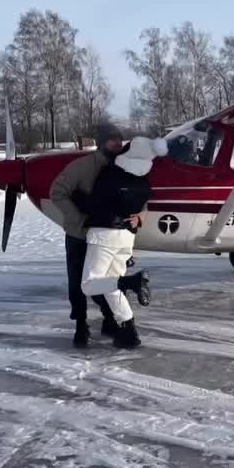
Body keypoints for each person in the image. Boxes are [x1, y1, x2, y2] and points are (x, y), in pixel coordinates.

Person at [78, 135, 168, 349]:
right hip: (127, 236)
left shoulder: (111, 173)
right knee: (110, 285)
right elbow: (139, 205)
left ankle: (131, 282)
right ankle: (129, 332)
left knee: (88, 285)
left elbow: (92, 202)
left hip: (103, 235)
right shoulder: (143, 181)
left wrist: (78, 197)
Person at [50, 123, 130, 347]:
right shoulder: (80, 167)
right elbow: (57, 193)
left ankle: (109, 319)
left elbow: (136, 196)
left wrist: (138, 217)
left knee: (108, 279)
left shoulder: (125, 167)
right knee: (77, 282)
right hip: (80, 235)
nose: (117, 144)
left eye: (119, 140)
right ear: (102, 141)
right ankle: (80, 324)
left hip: (108, 236)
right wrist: (79, 220)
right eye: (111, 139)